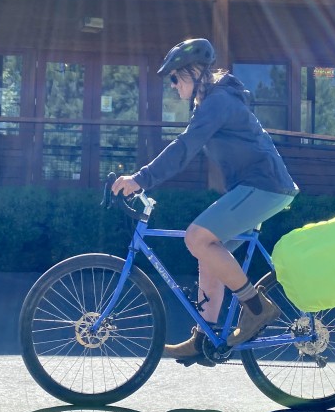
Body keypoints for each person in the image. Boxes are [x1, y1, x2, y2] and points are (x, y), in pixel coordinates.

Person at [111, 38, 298, 363]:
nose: (172, 86)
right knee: (208, 251)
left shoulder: (218, 101)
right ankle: (205, 336)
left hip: (265, 186)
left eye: (174, 78)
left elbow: (185, 147)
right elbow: (188, 147)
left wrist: (140, 178)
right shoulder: (212, 101)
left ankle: (257, 308)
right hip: (256, 187)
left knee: (197, 237)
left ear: (193, 73)